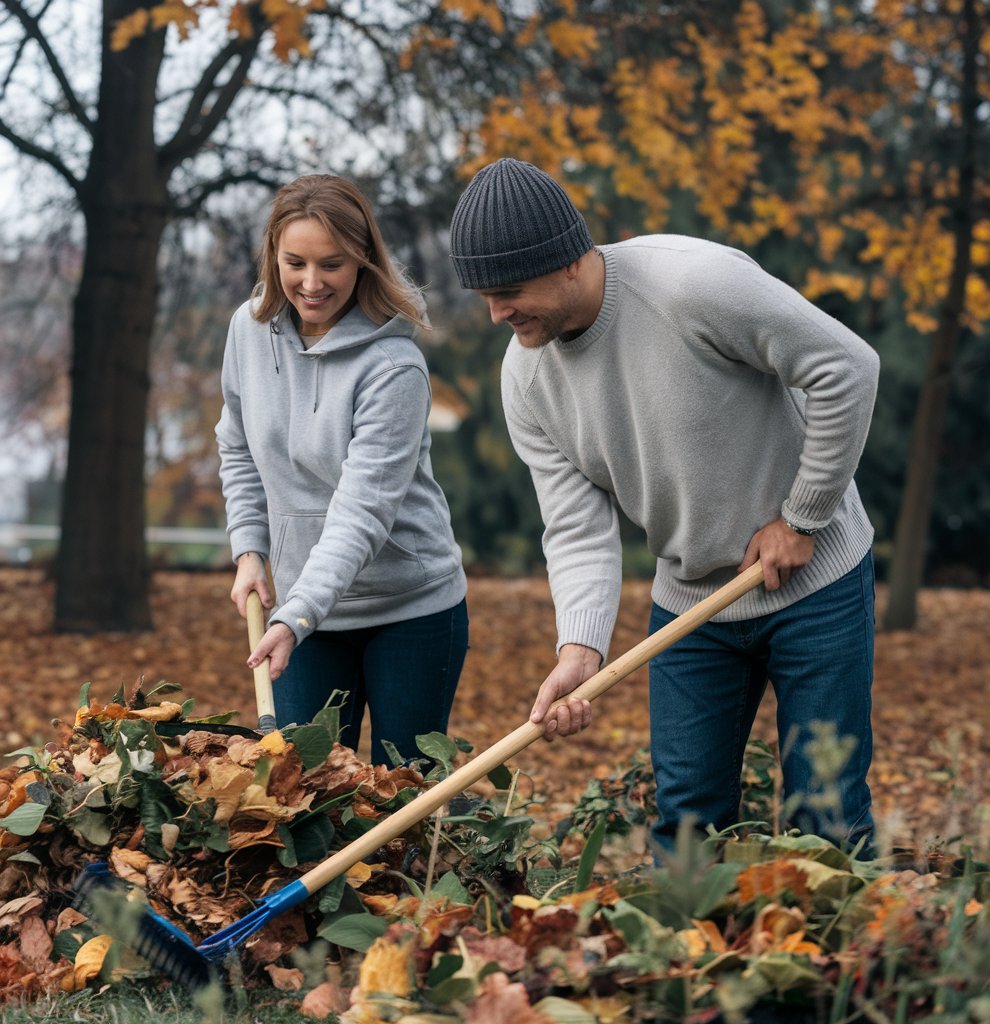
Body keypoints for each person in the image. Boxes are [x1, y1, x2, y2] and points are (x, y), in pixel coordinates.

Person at [448, 157, 880, 855]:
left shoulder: (694, 284)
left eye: (508, 291)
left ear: (566, 262)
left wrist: (804, 517)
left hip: (815, 583)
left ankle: (846, 961)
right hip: (692, 604)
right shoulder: (525, 378)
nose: (497, 314)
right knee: (684, 828)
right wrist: (579, 647)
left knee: (825, 820)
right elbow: (578, 527)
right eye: (485, 296)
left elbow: (848, 368)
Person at [216, 174, 468, 766]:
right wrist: (250, 549)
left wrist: (296, 611)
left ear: (362, 261)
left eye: (331, 264)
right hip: (304, 616)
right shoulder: (247, 332)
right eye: (294, 262)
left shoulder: (393, 366)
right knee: (302, 793)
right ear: (272, 255)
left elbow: (362, 513)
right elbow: (237, 447)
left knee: (399, 801)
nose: (311, 282)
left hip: (409, 610)